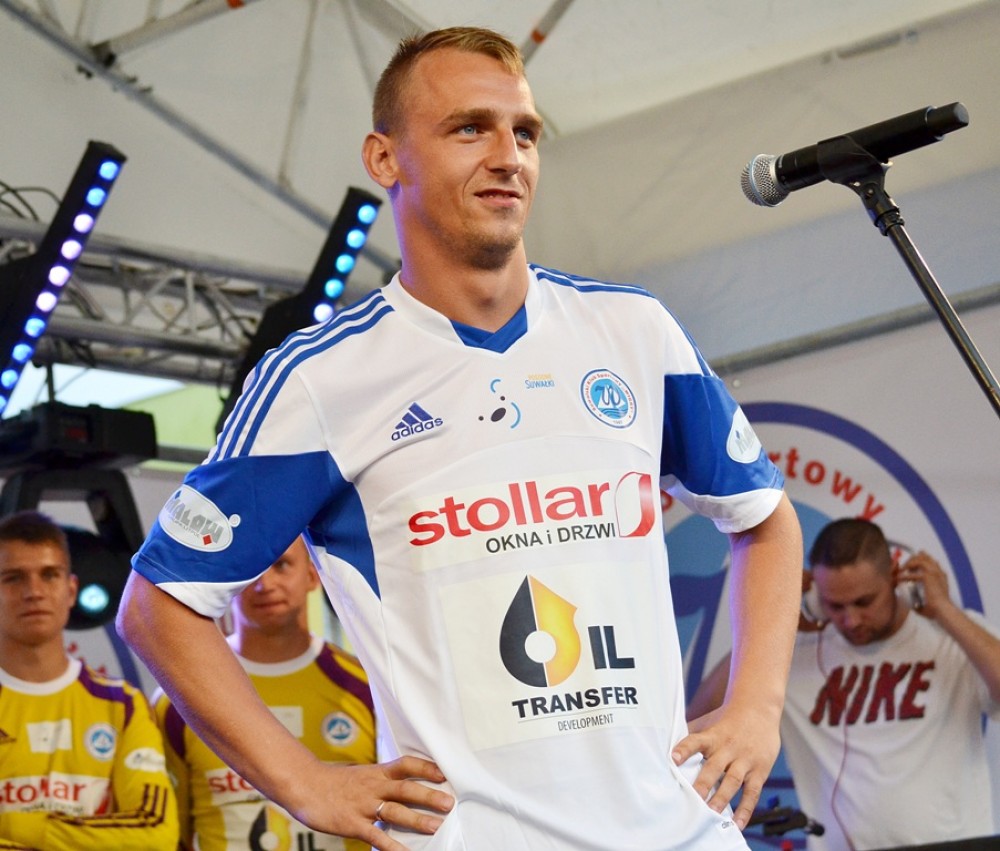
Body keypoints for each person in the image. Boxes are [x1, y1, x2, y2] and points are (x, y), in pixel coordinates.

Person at [117, 26, 803, 851]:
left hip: (681, 833)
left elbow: (764, 518)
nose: (509, 156)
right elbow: (158, 606)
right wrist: (305, 782)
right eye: (470, 128)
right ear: (385, 158)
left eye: (526, 132)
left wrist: (757, 706)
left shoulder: (633, 329)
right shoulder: (321, 378)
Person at [688, 517, 1000, 850]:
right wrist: (780, 620)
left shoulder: (952, 638)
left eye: (864, 602)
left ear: (895, 577)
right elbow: (701, 717)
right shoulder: (795, 652)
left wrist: (946, 611)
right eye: (834, 605)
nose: (851, 620)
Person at [154, 535, 376, 850]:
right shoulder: (180, 693)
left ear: (312, 575)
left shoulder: (367, 687)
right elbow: (169, 833)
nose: (265, 584)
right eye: (251, 569)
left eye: (281, 565)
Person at [0, 510, 178, 850]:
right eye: (13, 578)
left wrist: (21, 827)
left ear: (71, 590)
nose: (34, 591)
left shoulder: (121, 705)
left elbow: (156, 834)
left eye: (49, 575)